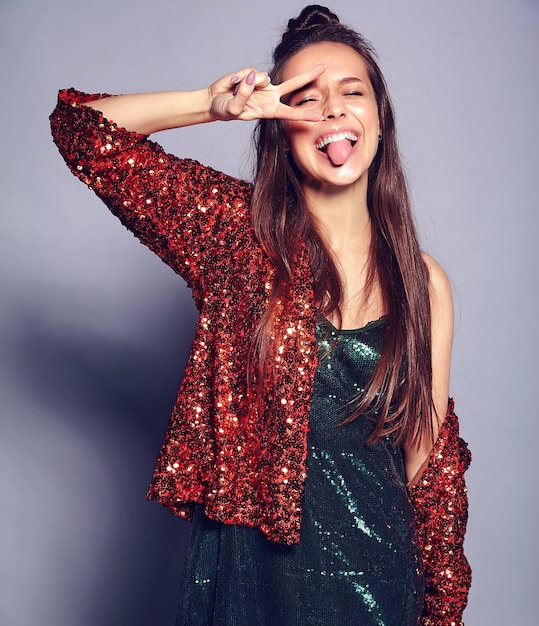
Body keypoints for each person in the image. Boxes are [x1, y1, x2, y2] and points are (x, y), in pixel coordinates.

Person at [50, 5, 471, 625]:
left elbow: (428, 468)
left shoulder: (423, 281)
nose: (331, 109)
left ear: (379, 118)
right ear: (279, 124)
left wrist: (442, 612)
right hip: (255, 583)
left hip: (383, 583)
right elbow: (81, 130)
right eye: (305, 98)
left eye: (351, 93)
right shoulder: (235, 235)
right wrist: (211, 104)